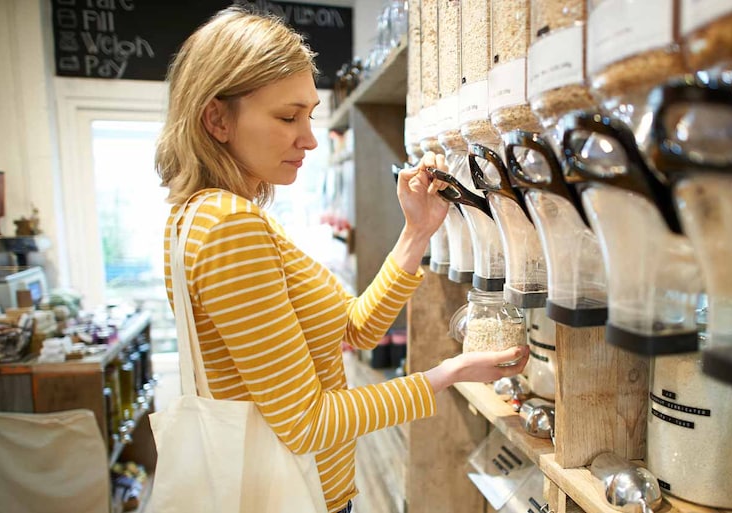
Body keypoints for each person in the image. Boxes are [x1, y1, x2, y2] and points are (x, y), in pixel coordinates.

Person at [155, 7, 529, 513]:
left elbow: (354, 330)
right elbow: (308, 424)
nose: (309, 138)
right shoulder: (229, 227)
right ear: (217, 118)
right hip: (302, 496)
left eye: (309, 115)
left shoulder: (194, 217)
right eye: (288, 117)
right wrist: (449, 372)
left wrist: (417, 231)